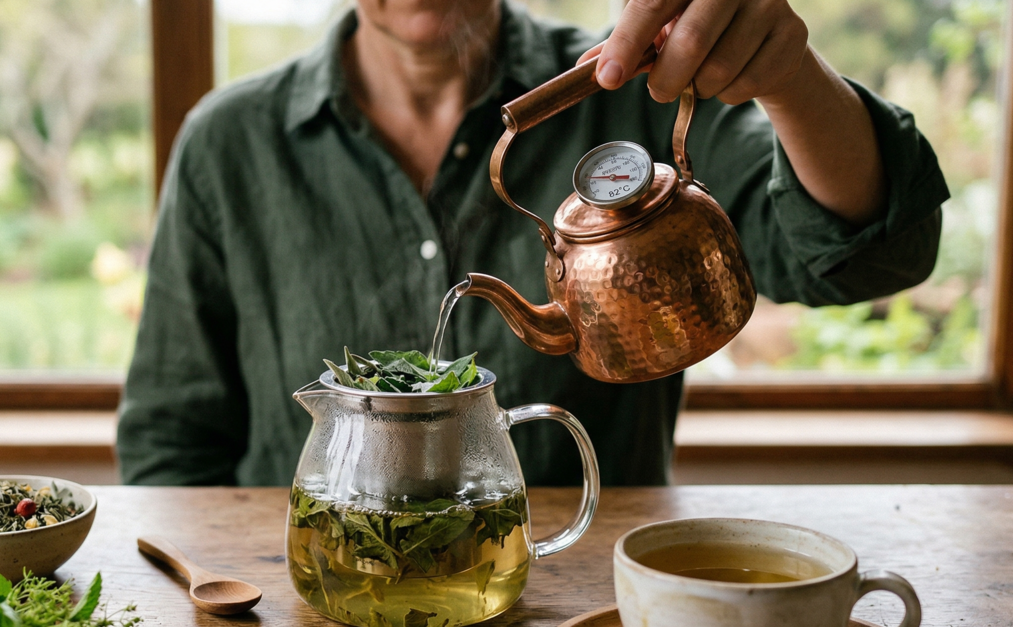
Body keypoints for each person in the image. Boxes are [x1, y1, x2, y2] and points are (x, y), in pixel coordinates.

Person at [117, 0, 947, 487]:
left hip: (594, 616)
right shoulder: (231, 142)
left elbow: (868, 252)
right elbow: (171, 444)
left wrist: (789, 76)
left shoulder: (635, 92)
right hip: (323, 615)